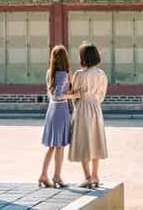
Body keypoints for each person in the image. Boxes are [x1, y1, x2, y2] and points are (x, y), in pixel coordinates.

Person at [68, 43, 109, 188]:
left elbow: (74, 94)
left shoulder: (79, 74)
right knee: (95, 140)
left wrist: (78, 105)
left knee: (83, 141)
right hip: (96, 108)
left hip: (83, 108)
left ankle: (87, 177)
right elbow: (102, 95)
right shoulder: (102, 75)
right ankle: (95, 175)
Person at [38, 45, 73, 189]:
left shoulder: (49, 73)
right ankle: (57, 176)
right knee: (59, 146)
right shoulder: (64, 74)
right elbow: (59, 95)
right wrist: (74, 95)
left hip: (51, 109)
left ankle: (44, 175)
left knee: (52, 146)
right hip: (60, 109)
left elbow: (51, 94)